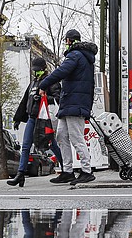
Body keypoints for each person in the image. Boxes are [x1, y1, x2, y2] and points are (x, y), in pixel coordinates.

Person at [39, 29, 98, 185]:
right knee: (62, 136)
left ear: (69, 41)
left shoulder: (75, 55)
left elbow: (61, 72)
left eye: (66, 41)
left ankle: (86, 171)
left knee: (76, 137)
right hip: (70, 102)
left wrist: (43, 84)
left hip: (75, 102)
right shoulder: (82, 57)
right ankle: (67, 171)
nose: (65, 44)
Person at [7, 57, 63, 187]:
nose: (36, 72)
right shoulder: (33, 83)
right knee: (25, 146)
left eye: (38, 70)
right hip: (32, 118)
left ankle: (66, 168)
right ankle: (20, 175)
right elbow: (25, 100)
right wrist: (18, 118)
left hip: (43, 119)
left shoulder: (51, 82)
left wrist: (44, 97)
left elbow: (57, 99)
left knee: (51, 144)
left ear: (44, 69)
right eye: (35, 70)